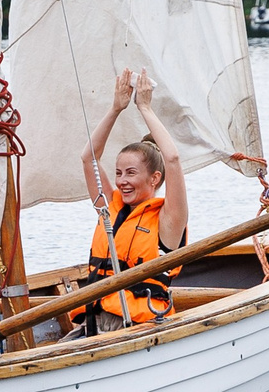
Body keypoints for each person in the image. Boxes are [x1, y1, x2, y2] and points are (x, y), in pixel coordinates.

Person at [78, 67, 188, 330]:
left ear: (154, 178)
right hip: (95, 321)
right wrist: (115, 109)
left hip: (138, 324)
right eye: (118, 173)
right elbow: (89, 157)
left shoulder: (169, 220)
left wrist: (145, 108)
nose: (121, 181)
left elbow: (172, 159)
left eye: (130, 173)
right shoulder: (110, 208)